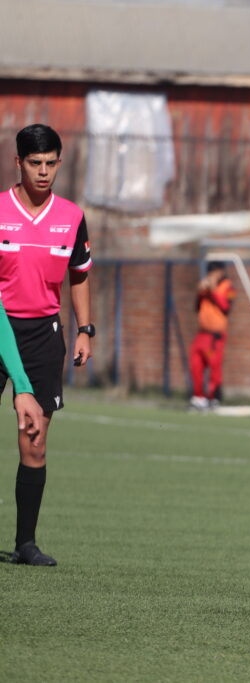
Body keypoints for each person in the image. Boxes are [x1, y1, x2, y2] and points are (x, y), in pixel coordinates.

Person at [1, 123, 93, 566]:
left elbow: (80, 274)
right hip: (0, 326)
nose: (42, 172)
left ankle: (25, 544)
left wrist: (84, 328)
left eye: (50, 163)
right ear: (17, 163)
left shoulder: (72, 217)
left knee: (34, 440)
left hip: (43, 335)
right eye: (34, 163)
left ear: (59, 163)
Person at [189, 260, 235, 410]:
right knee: (195, 364)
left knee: (214, 366)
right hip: (202, 332)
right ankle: (198, 397)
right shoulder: (206, 288)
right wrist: (201, 292)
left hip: (215, 335)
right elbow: (196, 307)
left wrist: (213, 290)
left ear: (220, 272)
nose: (211, 275)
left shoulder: (227, 286)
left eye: (214, 272)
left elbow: (226, 307)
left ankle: (213, 397)